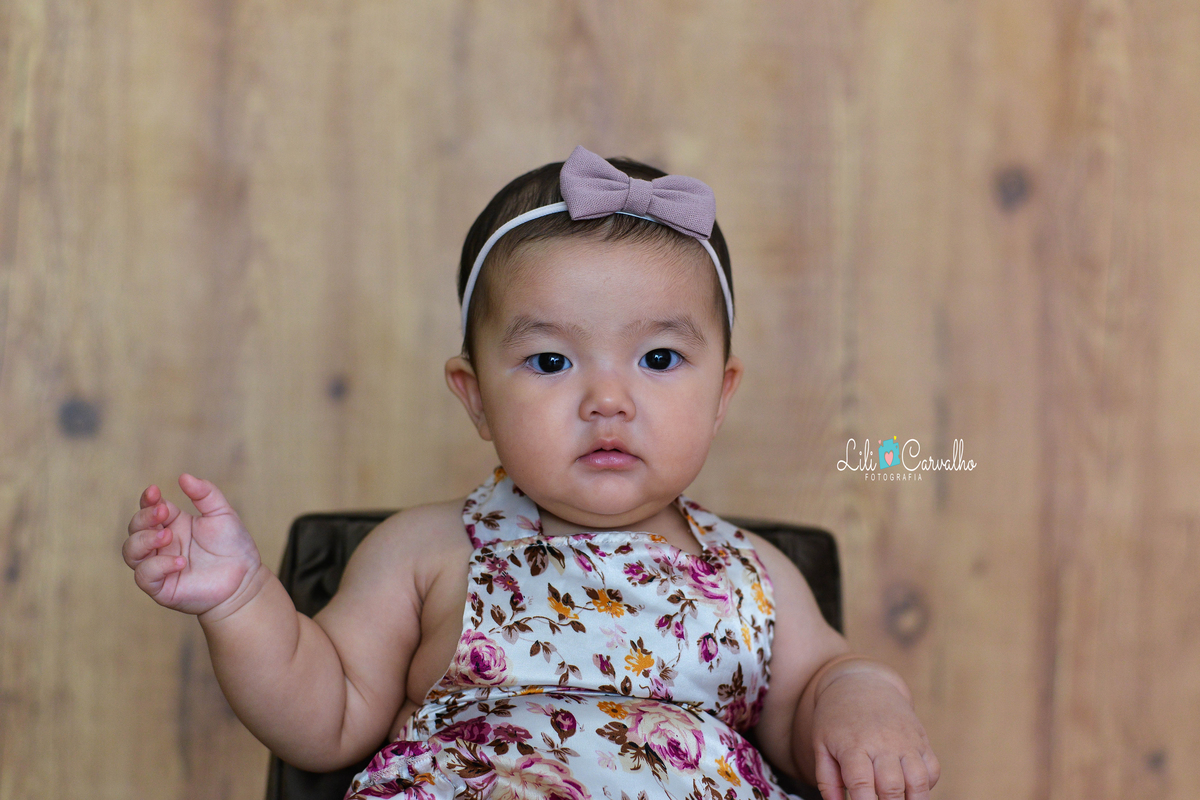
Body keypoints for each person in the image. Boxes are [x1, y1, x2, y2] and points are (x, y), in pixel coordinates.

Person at [123, 146, 940, 800]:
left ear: (721, 395)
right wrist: (240, 602)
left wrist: (862, 696)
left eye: (659, 358)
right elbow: (323, 716)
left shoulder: (755, 575)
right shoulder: (427, 552)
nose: (608, 400)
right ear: (476, 397)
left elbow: (815, 689)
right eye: (551, 361)